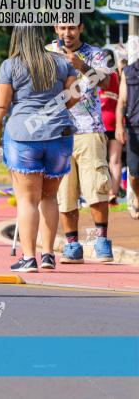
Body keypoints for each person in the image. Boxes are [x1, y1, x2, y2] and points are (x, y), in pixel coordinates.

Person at [0, 25, 79, 272]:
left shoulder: (10, 65)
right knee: (49, 196)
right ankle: (48, 255)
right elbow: (75, 96)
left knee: (27, 200)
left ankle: (29, 258)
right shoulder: (60, 62)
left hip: (23, 136)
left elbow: (1, 105)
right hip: (59, 135)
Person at [47, 22, 115, 263]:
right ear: (56, 28)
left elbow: (107, 83)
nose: (68, 33)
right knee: (65, 192)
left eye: (72, 28)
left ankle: (102, 241)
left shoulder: (96, 54)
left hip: (90, 130)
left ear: (81, 28)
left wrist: (82, 66)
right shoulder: (47, 54)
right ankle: (72, 245)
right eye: (63, 28)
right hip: (58, 133)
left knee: (96, 186)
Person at [114, 56, 139, 220]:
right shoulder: (128, 72)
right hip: (134, 127)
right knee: (134, 172)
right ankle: (137, 196)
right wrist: (119, 126)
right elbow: (122, 101)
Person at [99, 48, 122, 205]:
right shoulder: (118, 76)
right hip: (116, 121)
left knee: (100, 160)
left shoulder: (98, 75)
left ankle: (100, 193)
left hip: (101, 120)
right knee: (115, 161)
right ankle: (113, 193)